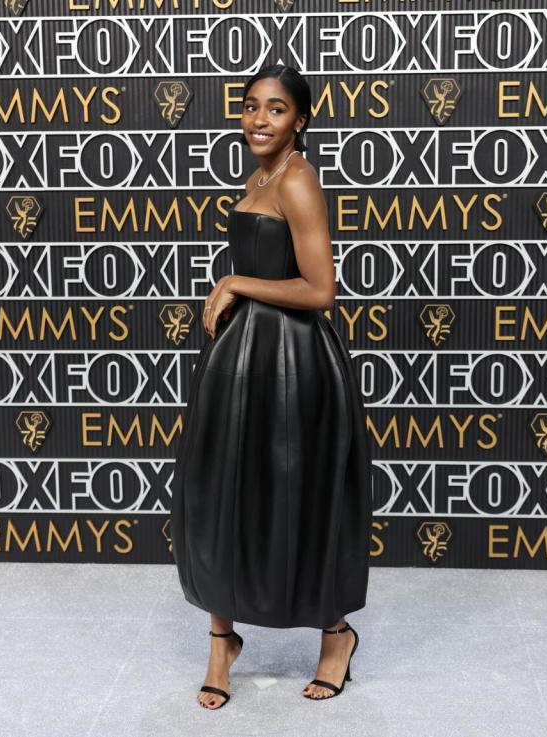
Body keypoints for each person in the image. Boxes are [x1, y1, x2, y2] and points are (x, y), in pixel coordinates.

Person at [169, 64, 373, 709]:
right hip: (241, 364)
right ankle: (220, 643)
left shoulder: (300, 181)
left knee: (300, 498)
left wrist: (235, 282)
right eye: (251, 106)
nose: (258, 119)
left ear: (301, 121)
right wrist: (237, 293)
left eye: (276, 109)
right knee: (225, 495)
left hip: (293, 365)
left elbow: (321, 291)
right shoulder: (262, 175)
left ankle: (335, 637)